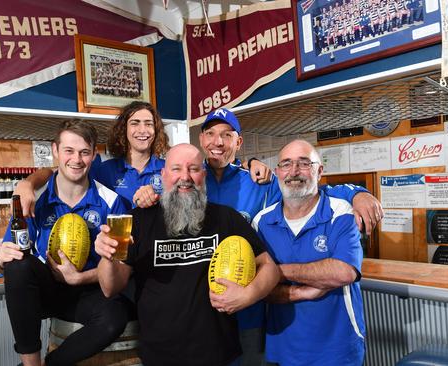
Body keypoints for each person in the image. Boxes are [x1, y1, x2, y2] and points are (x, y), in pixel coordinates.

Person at [133, 107, 382, 366]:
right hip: (201, 320)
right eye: (211, 134)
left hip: (250, 313)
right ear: (202, 140)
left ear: (238, 142)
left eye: (227, 135)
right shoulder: (188, 179)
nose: (218, 142)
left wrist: (356, 193)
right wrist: (145, 195)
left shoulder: (259, 183)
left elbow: (305, 186)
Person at [94, 143, 280, 366]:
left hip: (219, 356)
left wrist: (248, 295)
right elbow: (109, 287)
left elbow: (269, 267)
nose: (185, 177)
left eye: (193, 168)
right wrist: (108, 256)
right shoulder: (139, 221)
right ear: (163, 175)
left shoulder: (227, 218)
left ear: (203, 174)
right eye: (176, 169)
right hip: (158, 357)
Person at [0, 120, 132, 366]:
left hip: (88, 294)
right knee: (18, 266)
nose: (76, 159)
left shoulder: (113, 203)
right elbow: (13, 251)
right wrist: (3, 257)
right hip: (46, 292)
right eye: (69, 151)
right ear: (56, 151)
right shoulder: (33, 199)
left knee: (115, 316)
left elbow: (121, 269)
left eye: (84, 152)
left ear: (94, 155)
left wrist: (79, 278)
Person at [15, 102, 269, 216]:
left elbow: (211, 169)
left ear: (156, 130)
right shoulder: (104, 170)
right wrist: (28, 184)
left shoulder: (169, 168)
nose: (142, 130)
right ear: (124, 129)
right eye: (135, 123)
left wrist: (249, 162)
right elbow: (62, 171)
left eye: (149, 124)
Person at [253, 139, 365, 366]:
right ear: (277, 172)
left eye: (304, 163)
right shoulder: (261, 222)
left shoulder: (340, 212)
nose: (294, 171)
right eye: (286, 164)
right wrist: (299, 293)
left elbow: (344, 272)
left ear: (319, 171)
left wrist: (276, 272)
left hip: (337, 350)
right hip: (282, 348)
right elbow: (257, 287)